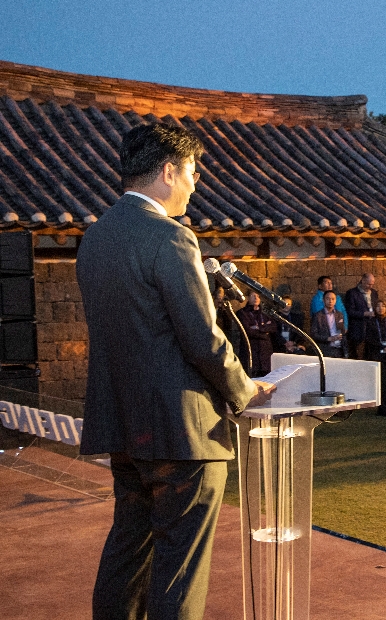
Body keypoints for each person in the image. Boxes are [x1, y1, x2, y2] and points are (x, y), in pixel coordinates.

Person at [76, 123, 272, 620]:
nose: (195, 180)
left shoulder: (94, 240)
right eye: (191, 170)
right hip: (184, 434)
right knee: (179, 569)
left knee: (127, 554)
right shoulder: (171, 239)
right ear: (168, 171)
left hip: (124, 428)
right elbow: (203, 341)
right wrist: (245, 391)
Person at [364, 300, 386, 418]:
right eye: (377, 306)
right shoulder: (371, 322)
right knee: (381, 382)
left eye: (383, 306)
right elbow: (368, 338)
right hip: (377, 354)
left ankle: (382, 407)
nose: (380, 308)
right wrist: (381, 346)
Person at [237, 291, 277, 377]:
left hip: (265, 353)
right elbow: (248, 331)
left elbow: (273, 327)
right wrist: (265, 332)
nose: (256, 298)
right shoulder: (242, 313)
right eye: (253, 296)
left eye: (258, 296)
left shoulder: (266, 313)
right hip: (251, 351)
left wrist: (258, 328)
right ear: (248, 298)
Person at [343, 273, 378, 359]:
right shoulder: (352, 293)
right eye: (368, 284)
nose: (370, 286)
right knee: (357, 355)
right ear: (362, 281)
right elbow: (350, 311)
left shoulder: (374, 293)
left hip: (371, 328)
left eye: (372, 284)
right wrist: (365, 313)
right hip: (358, 329)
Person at [310, 290, 346, 358]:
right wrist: (328, 338)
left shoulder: (339, 314)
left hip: (339, 348)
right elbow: (313, 334)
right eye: (328, 298)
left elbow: (342, 331)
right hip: (326, 349)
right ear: (323, 300)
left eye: (333, 299)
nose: (330, 301)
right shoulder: (318, 316)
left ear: (335, 301)